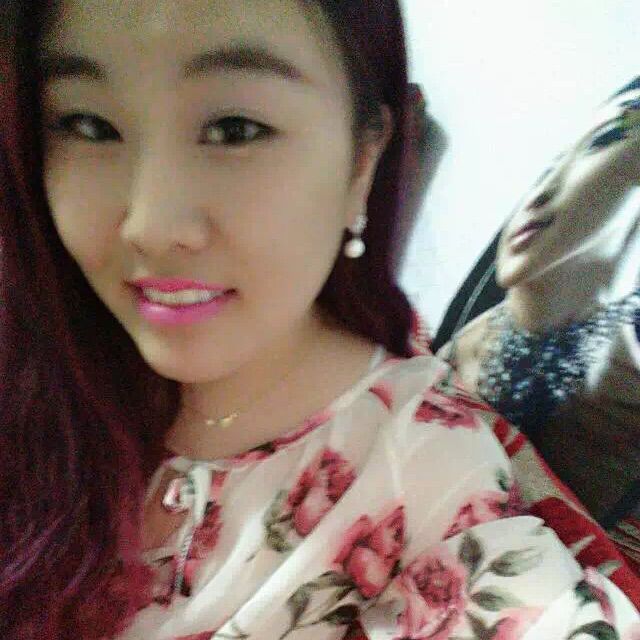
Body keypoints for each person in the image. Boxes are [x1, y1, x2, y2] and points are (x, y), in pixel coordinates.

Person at [0, 1, 638, 639]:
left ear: (363, 160)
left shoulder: (425, 472)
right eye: (88, 125)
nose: (150, 225)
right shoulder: (33, 358)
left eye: (235, 129)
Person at [437, 77, 640, 532]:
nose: (541, 192)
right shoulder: (481, 333)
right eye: (552, 164)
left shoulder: (620, 388)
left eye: (603, 142)